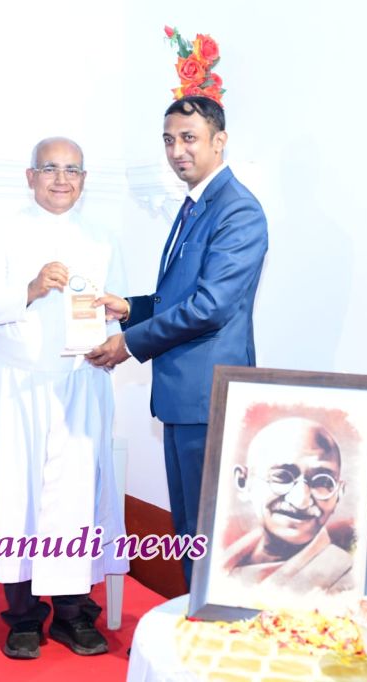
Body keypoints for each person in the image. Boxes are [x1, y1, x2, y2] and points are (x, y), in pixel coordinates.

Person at [86, 95, 269, 585]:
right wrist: (131, 308)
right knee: (191, 529)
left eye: (189, 138)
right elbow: (180, 296)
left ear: (219, 140)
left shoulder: (238, 210)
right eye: (169, 140)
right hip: (182, 396)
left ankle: (214, 625)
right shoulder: (196, 205)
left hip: (208, 396)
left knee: (212, 532)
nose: (176, 151)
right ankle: (196, 620)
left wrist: (129, 344)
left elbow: (210, 307)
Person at [0, 137, 128, 660]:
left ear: (85, 179)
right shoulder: (0, 231)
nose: (62, 179)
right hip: (22, 388)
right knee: (19, 500)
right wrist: (31, 289)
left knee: (78, 501)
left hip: (82, 384)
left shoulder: (102, 238)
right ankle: (23, 617)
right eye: (51, 168)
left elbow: (118, 311)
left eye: (72, 170)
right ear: (30, 175)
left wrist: (114, 335)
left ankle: (74, 614)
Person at [220, 417, 354, 593]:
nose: (301, 500)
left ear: (338, 493)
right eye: (282, 476)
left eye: (322, 481)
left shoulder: (345, 581)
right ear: (243, 481)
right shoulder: (220, 561)